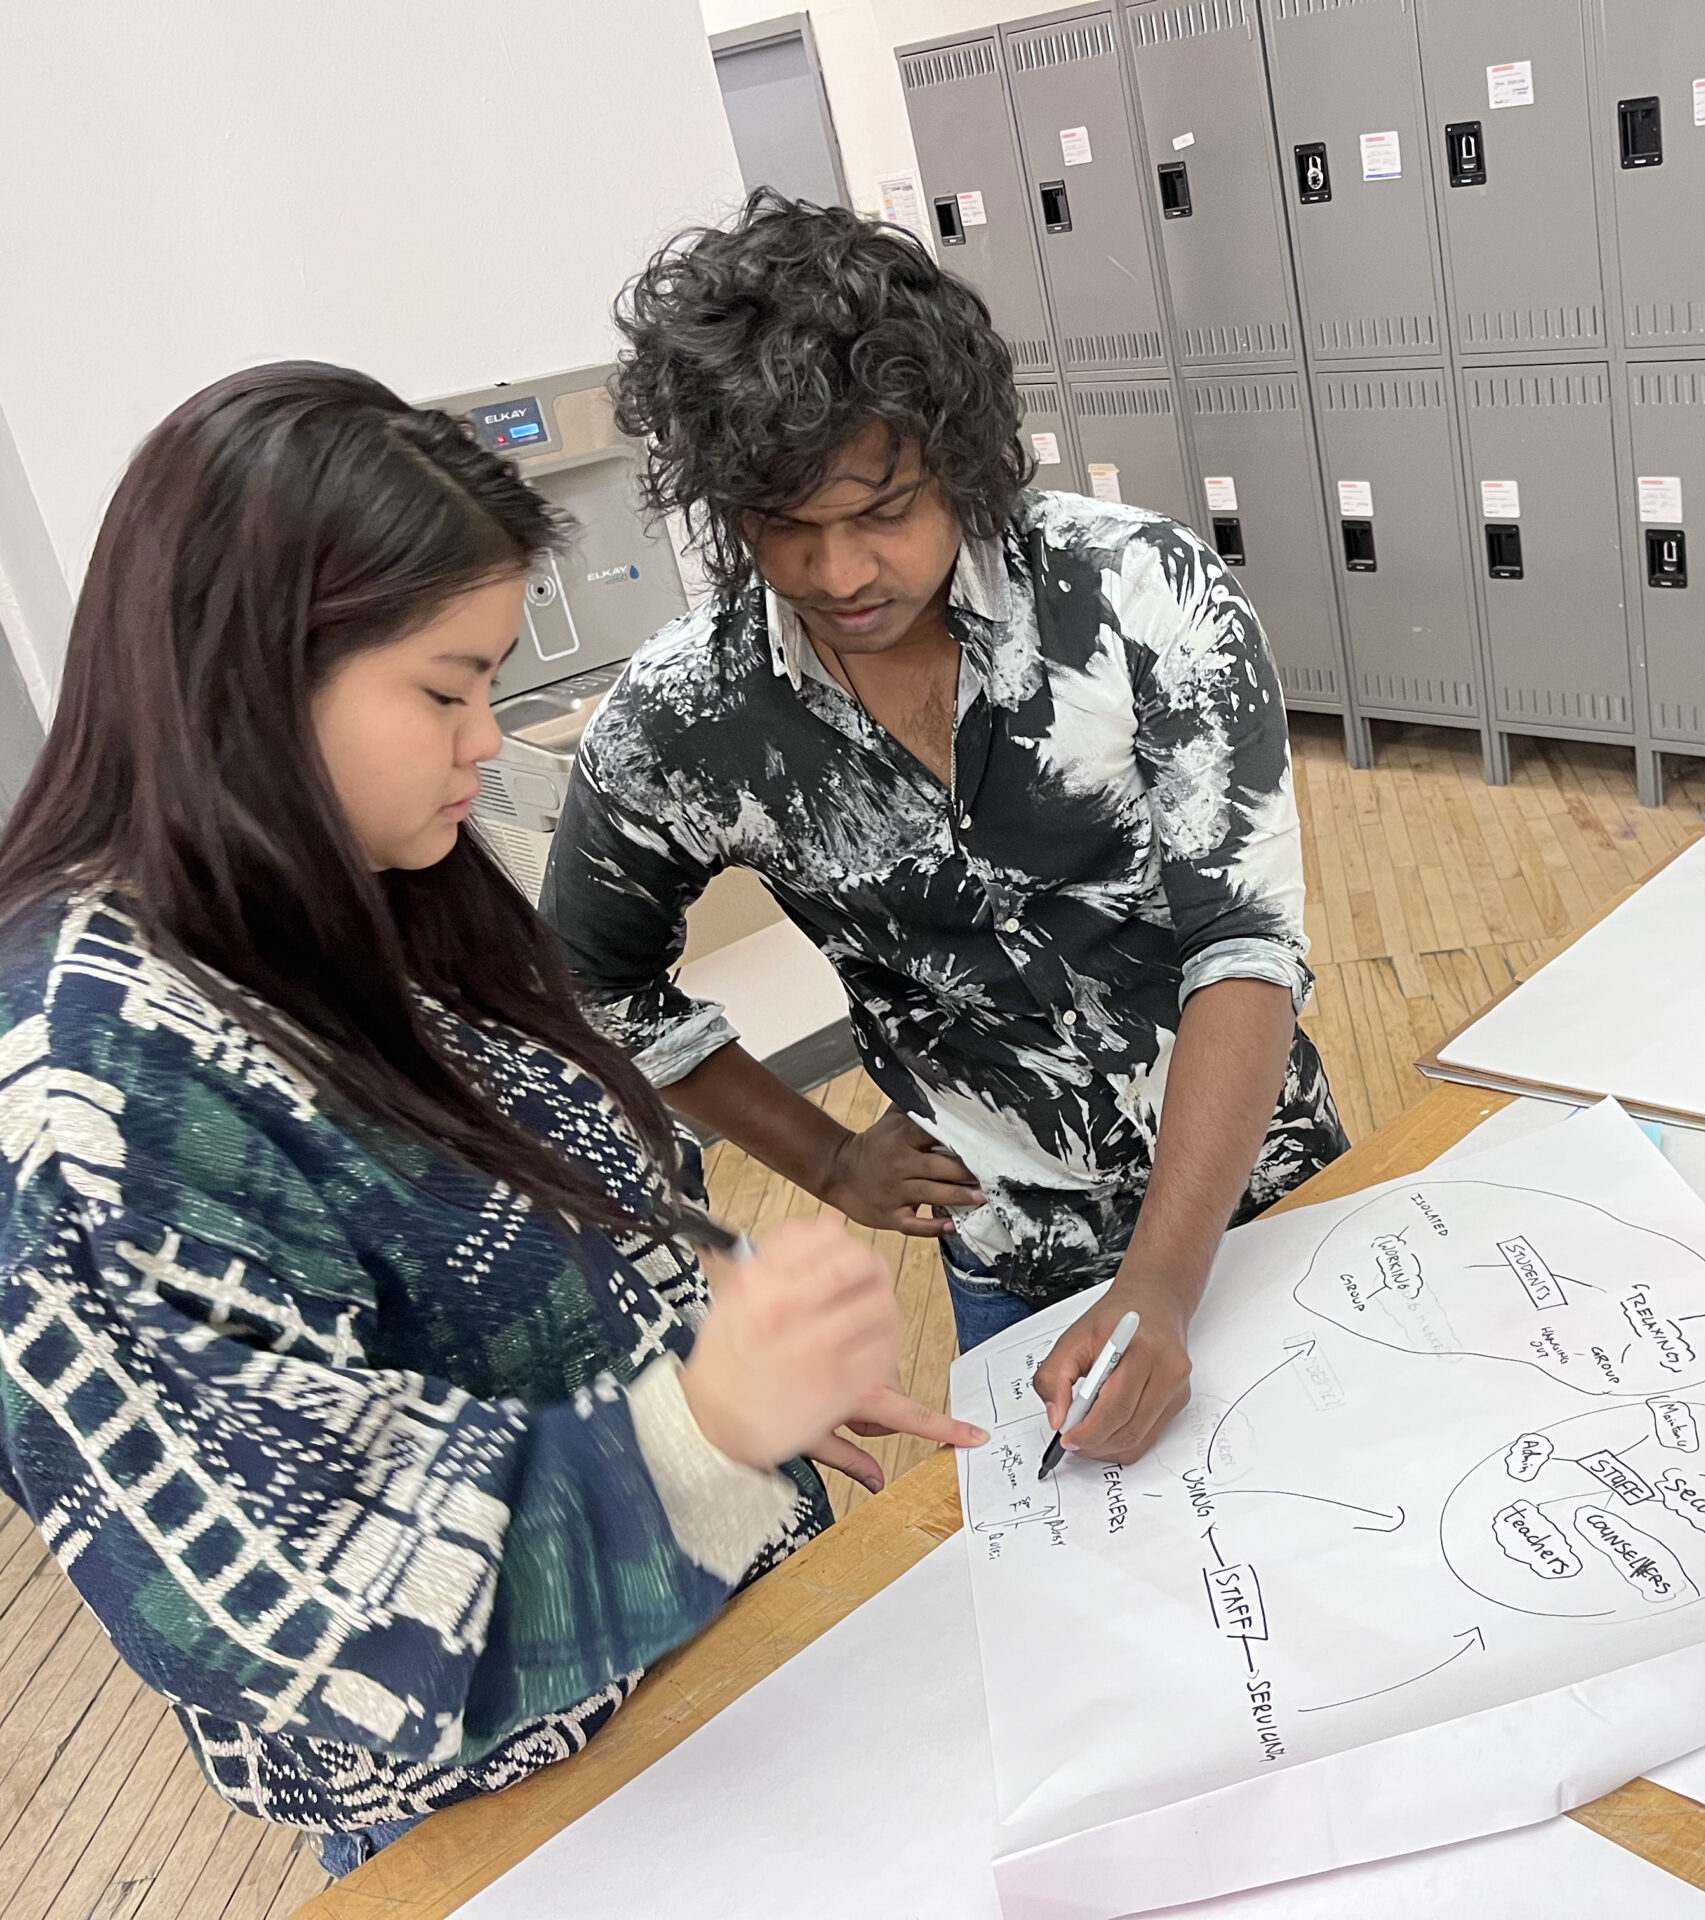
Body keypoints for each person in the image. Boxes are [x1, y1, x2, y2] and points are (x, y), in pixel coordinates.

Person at [0, 363, 980, 1873]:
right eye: (445, 690)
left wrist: (713, 1355)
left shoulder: (361, 892)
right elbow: (321, 1636)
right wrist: (705, 1430)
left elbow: (536, 1213)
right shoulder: (91, 1091)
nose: (484, 738)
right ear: (251, 679)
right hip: (539, 1821)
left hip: (714, 1694)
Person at [543, 191, 1347, 1464]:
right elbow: (592, 989)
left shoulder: (1141, 598)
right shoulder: (682, 722)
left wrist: (1160, 1285)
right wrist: (826, 1162)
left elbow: (1240, 948)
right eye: (785, 528)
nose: (839, 574)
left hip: (1269, 1189)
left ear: (961, 463)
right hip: (1010, 1258)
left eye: (882, 512)